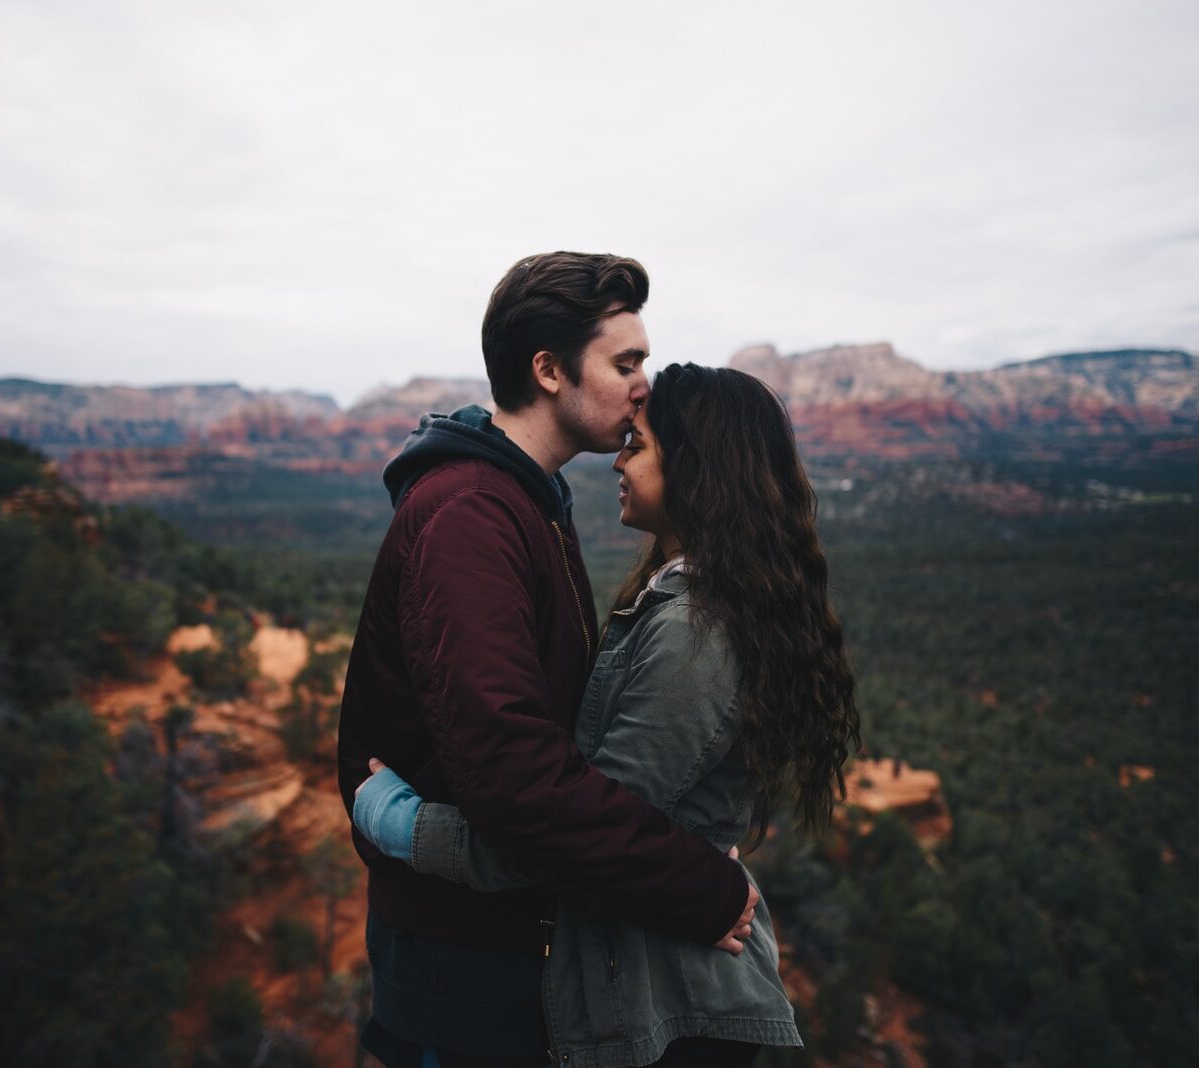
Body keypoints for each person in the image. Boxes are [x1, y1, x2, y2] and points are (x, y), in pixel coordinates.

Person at [354, 363, 863, 1067]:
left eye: (638, 446)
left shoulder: (694, 632)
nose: (618, 462)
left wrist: (404, 826)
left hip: (676, 1011)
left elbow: (580, 836)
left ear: (698, 471)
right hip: (661, 991)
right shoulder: (683, 603)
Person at [336, 255, 759, 1068]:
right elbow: (516, 775)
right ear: (549, 371)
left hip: (509, 949)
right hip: (462, 972)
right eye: (624, 363)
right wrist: (702, 884)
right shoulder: (471, 514)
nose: (643, 386)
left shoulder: (528, 500)